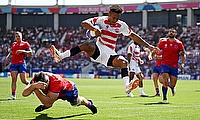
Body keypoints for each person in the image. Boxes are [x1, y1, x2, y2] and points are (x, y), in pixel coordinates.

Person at [50, 4, 158, 96]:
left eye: (117, 18)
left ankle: (127, 87)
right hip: (98, 50)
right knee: (87, 45)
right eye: (113, 17)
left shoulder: (121, 25)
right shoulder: (101, 20)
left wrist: (149, 46)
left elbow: (134, 36)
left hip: (110, 54)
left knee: (124, 62)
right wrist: (94, 29)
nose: (115, 20)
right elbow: (84, 23)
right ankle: (60, 56)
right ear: (109, 14)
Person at [22, 71, 97, 114]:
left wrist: (35, 89)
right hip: (54, 93)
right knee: (49, 100)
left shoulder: (56, 81)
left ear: (47, 82)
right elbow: (24, 94)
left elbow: (48, 102)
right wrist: (33, 86)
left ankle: (88, 103)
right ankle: (45, 106)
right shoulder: (37, 78)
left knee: (75, 103)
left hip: (68, 91)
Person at [158, 28, 186, 102]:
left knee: (172, 84)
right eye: (170, 32)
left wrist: (183, 63)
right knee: (165, 81)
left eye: (173, 32)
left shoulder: (179, 43)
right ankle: (164, 98)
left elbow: (183, 54)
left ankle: (172, 87)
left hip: (174, 66)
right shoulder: (163, 42)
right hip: (165, 64)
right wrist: (153, 54)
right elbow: (157, 50)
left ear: (175, 34)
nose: (171, 33)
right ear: (168, 33)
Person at [5, 31, 33, 100]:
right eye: (16, 36)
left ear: (21, 37)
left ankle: (32, 86)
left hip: (21, 63)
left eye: (19, 36)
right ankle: (13, 96)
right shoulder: (14, 44)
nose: (17, 37)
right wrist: (8, 57)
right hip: (14, 64)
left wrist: (22, 51)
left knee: (23, 80)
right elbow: (12, 52)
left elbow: (31, 53)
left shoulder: (25, 44)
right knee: (13, 79)